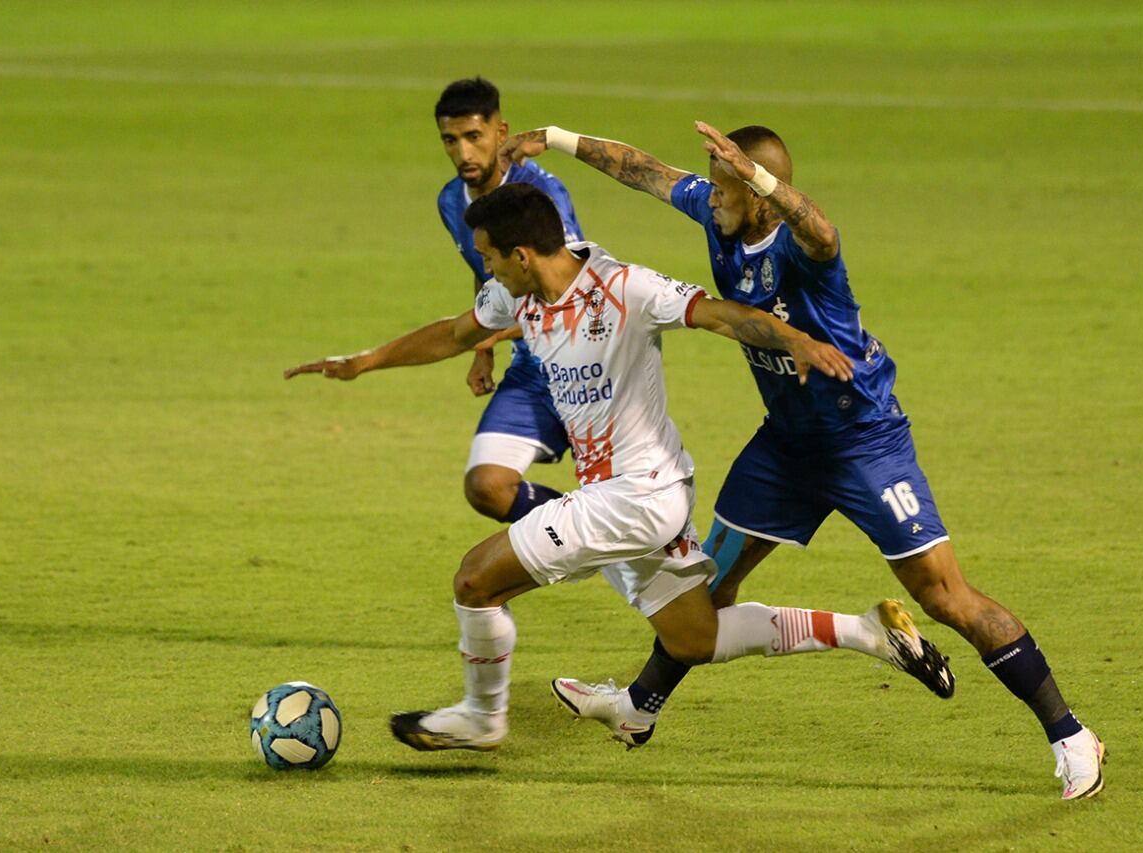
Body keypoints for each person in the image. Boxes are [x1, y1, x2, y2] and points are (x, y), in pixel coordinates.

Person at [498, 123, 1105, 800]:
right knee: (707, 592)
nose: (710, 201)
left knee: (944, 597)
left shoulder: (801, 248)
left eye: (726, 189)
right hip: (783, 447)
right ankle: (641, 705)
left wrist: (757, 181)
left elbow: (821, 228)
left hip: (864, 444)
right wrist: (553, 138)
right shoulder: (719, 212)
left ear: (758, 195)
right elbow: (645, 170)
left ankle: (1071, 733)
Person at [284, 183, 954, 752]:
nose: (486, 272)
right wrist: (365, 360)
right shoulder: (517, 296)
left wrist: (797, 337)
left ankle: (483, 716)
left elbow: (719, 315)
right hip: (625, 496)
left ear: (521, 254)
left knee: (474, 579)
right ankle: (866, 632)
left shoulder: (624, 288)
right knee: (695, 635)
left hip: (639, 495)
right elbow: (457, 331)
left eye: (489, 259)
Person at [434, 77, 583, 522]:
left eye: (473, 137)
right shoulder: (450, 200)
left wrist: (486, 339)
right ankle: (584, 526)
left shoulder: (540, 197)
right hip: (531, 365)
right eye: (450, 140)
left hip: (587, 360)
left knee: (634, 499)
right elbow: (485, 277)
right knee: (486, 485)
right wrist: (485, 347)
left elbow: (568, 296)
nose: (463, 153)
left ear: (501, 133)